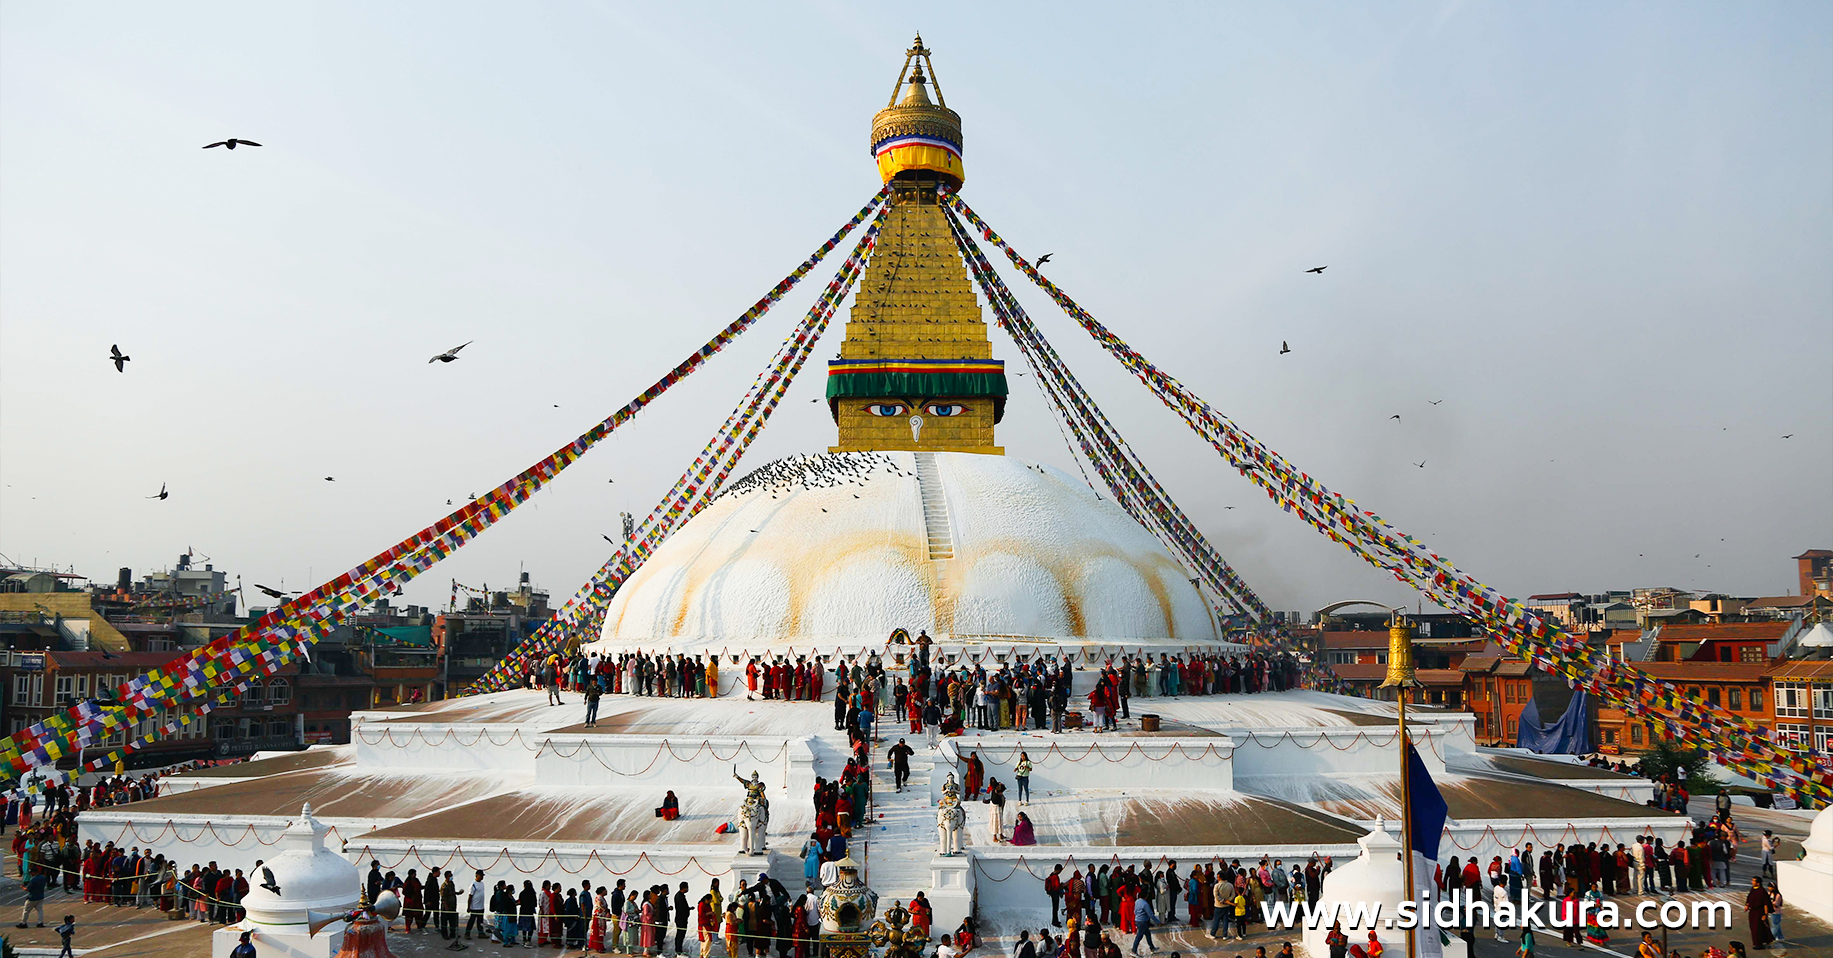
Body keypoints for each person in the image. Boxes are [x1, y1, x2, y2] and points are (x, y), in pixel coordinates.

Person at [1744, 876, 1772, 950]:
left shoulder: (1762, 891)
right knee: (1753, 927)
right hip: (1752, 912)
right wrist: (1747, 905)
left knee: (1758, 928)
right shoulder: (1753, 889)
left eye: (1754, 881)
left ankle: (1759, 944)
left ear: (1758, 883)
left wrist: (1765, 914)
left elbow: (1765, 903)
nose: (1752, 882)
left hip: (1759, 912)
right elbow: (1749, 898)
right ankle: (1758, 942)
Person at [1130, 888, 1156, 955]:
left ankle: (1152, 947)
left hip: (1137, 920)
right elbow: (1151, 915)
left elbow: (1135, 911)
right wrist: (1158, 922)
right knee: (1139, 937)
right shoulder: (1145, 904)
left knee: (1148, 934)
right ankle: (1133, 951)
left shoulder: (1137, 901)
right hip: (1142, 922)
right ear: (1146, 896)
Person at [467, 869, 488, 940]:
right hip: (474, 907)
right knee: (471, 921)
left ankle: (481, 933)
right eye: (481, 876)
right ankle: (467, 933)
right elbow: (470, 896)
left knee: (480, 921)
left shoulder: (482, 883)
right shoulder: (473, 885)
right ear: (477, 875)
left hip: (481, 906)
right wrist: (468, 907)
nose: (482, 877)